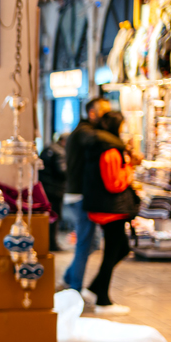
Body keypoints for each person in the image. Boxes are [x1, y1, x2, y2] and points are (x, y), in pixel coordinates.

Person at [82, 110, 140, 315]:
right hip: (110, 209)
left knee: (121, 248)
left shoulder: (101, 146)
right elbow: (114, 183)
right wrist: (130, 169)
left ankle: (93, 289)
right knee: (112, 252)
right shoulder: (110, 150)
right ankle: (103, 301)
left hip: (106, 208)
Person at [63, 97, 113, 293]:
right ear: (92, 113)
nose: (107, 117)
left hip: (79, 195)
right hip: (80, 196)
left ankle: (70, 277)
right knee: (85, 242)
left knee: (90, 242)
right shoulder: (85, 132)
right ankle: (75, 288)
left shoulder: (84, 131)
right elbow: (96, 139)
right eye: (104, 112)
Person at [39, 133, 68, 252]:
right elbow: (62, 171)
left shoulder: (48, 148)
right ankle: (52, 244)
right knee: (54, 217)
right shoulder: (60, 152)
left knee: (48, 217)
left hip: (45, 188)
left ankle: (47, 242)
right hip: (55, 189)